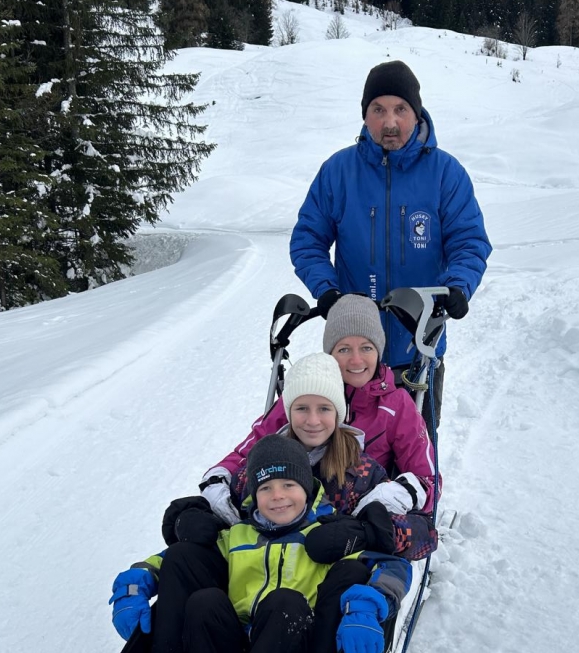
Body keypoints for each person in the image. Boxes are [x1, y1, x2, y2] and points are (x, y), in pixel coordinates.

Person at [109, 435, 411, 653]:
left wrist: (366, 606)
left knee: (285, 601)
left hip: (293, 651)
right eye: (266, 487)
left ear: (306, 487)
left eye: (288, 485)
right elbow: (175, 561)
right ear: (254, 493)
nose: (277, 496)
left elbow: (392, 566)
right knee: (205, 600)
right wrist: (136, 583)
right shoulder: (239, 535)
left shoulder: (329, 535)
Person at [289, 59, 492, 421]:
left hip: (420, 349)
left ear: (416, 113)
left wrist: (457, 286)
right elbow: (308, 240)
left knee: (417, 460)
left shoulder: (446, 174)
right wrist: (328, 292)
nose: (390, 122)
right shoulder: (338, 172)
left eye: (400, 109)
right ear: (365, 116)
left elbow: (469, 241)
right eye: (378, 110)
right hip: (354, 357)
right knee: (348, 466)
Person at [201, 295, 438, 539]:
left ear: (378, 351)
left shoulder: (396, 406)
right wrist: (217, 480)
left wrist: (390, 498)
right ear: (330, 353)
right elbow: (250, 450)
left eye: (366, 348)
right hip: (289, 508)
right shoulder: (304, 393)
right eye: (344, 349)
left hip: (355, 514)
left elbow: (428, 480)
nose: (356, 360)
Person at [224, 351, 436, 561]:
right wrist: (201, 514)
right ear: (288, 413)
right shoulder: (264, 464)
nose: (313, 420)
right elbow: (228, 510)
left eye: (324, 408)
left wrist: (365, 533)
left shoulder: (359, 473)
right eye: (302, 408)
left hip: (331, 586)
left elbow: (426, 536)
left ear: (338, 413)